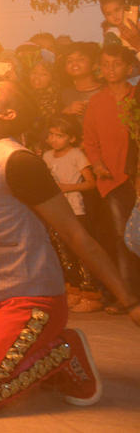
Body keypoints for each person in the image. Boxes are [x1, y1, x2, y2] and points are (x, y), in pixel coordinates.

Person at [0, 80, 140, 413]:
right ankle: (4, 346)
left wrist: (131, 301)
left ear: (8, 113)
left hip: (31, 300)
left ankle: (64, 349)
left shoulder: (20, 162)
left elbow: (76, 235)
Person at [80, 44, 140, 311]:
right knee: (120, 235)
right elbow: (89, 139)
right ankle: (128, 296)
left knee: (133, 235)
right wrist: (96, 162)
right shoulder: (96, 100)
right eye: (105, 64)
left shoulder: (136, 95)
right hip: (111, 177)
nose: (110, 69)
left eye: (116, 63)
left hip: (135, 172)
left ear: (129, 68)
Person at [42, 116, 100, 312]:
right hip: (55, 211)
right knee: (64, 253)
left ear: (72, 138)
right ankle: (73, 291)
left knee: (80, 252)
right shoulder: (47, 156)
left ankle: (90, 294)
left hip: (75, 210)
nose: (54, 139)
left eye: (60, 135)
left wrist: (67, 187)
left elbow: (91, 183)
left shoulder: (76, 155)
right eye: (51, 134)